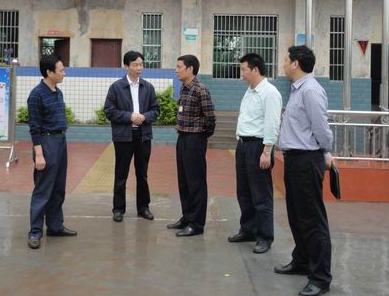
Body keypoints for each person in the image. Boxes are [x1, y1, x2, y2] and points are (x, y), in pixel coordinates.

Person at [274, 46, 333, 296]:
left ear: (296, 63)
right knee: (297, 216)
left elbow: (321, 128)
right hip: (294, 160)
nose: (283, 64)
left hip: (307, 160)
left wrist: (326, 152)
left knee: (311, 220)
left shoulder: (310, 91)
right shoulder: (297, 89)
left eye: (286, 60)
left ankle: (320, 277)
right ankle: (302, 261)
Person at [228, 53, 282, 254]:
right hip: (243, 145)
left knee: (261, 195)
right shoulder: (250, 91)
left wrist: (267, 151)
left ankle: (265, 236)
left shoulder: (270, 93)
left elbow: (272, 123)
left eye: (244, 69)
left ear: (255, 70)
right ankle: (248, 230)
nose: (241, 74)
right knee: (244, 192)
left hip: (258, 147)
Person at [27, 54, 77, 250]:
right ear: (49, 72)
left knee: (58, 188)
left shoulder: (57, 92)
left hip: (60, 141)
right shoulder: (36, 95)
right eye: (61, 70)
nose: (64, 73)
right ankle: (35, 232)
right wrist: (39, 154)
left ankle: (55, 226)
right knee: (43, 190)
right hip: (46, 142)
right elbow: (34, 128)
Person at [104, 51, 160, 222]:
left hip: (143, 136)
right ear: (126, 66)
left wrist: (144, 117)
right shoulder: (116, 87)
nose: (139, 68)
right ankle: (118, 209)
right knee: (121, 174)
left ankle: (143, 207)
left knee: (142, 174)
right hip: (123, 137)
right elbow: (109, 111)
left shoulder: (148, 87)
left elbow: (155, 110)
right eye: (135, 64)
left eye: (141, 64)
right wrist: (130, 116)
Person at [167, 55, 216, 237]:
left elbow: (211, 117)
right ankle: (187, 217)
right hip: (182, 138)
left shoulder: (200, 89)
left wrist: (201, 136)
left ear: (190, 69)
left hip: (195, 139)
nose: (176, 70)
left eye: (179, 67)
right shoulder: (184, 88)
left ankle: (196, 224)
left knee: (196, 182)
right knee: (184, 181)